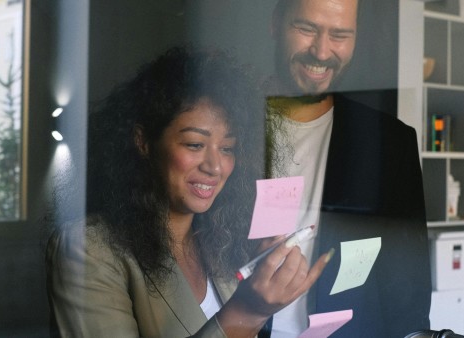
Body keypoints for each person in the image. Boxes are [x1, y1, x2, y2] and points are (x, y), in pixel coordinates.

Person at [46, 46, 331, 338]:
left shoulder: (220, 243)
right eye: (194, 144)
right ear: (143, 141)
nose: (215, 166)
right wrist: (247, 312)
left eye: (228, 148)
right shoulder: (87, 249)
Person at [263, 0, 431, 337]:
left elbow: (407, 291)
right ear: (276, 24)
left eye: (340, 35)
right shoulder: (223, 128)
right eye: (306, 28)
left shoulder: (390, 143)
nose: (322, 52)